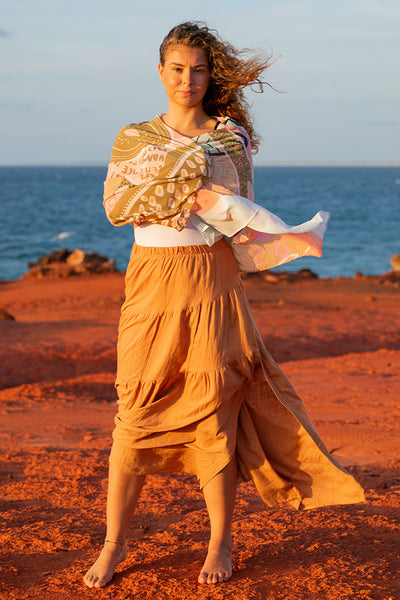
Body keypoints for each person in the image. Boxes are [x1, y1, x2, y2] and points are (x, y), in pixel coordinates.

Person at [83, 21, 364, 589]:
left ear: (211, 76)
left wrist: (213, 202)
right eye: (178, 69)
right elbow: (118, 204)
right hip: (150, 279)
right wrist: (190, 183)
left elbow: (241, 217)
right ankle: (114, 543)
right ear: (161, 72)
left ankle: (220, 539)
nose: (188, 80)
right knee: (134, 408)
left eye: (199, 70)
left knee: (213, 409)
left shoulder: (230, 138)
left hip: (211, 279)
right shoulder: (132, 137)